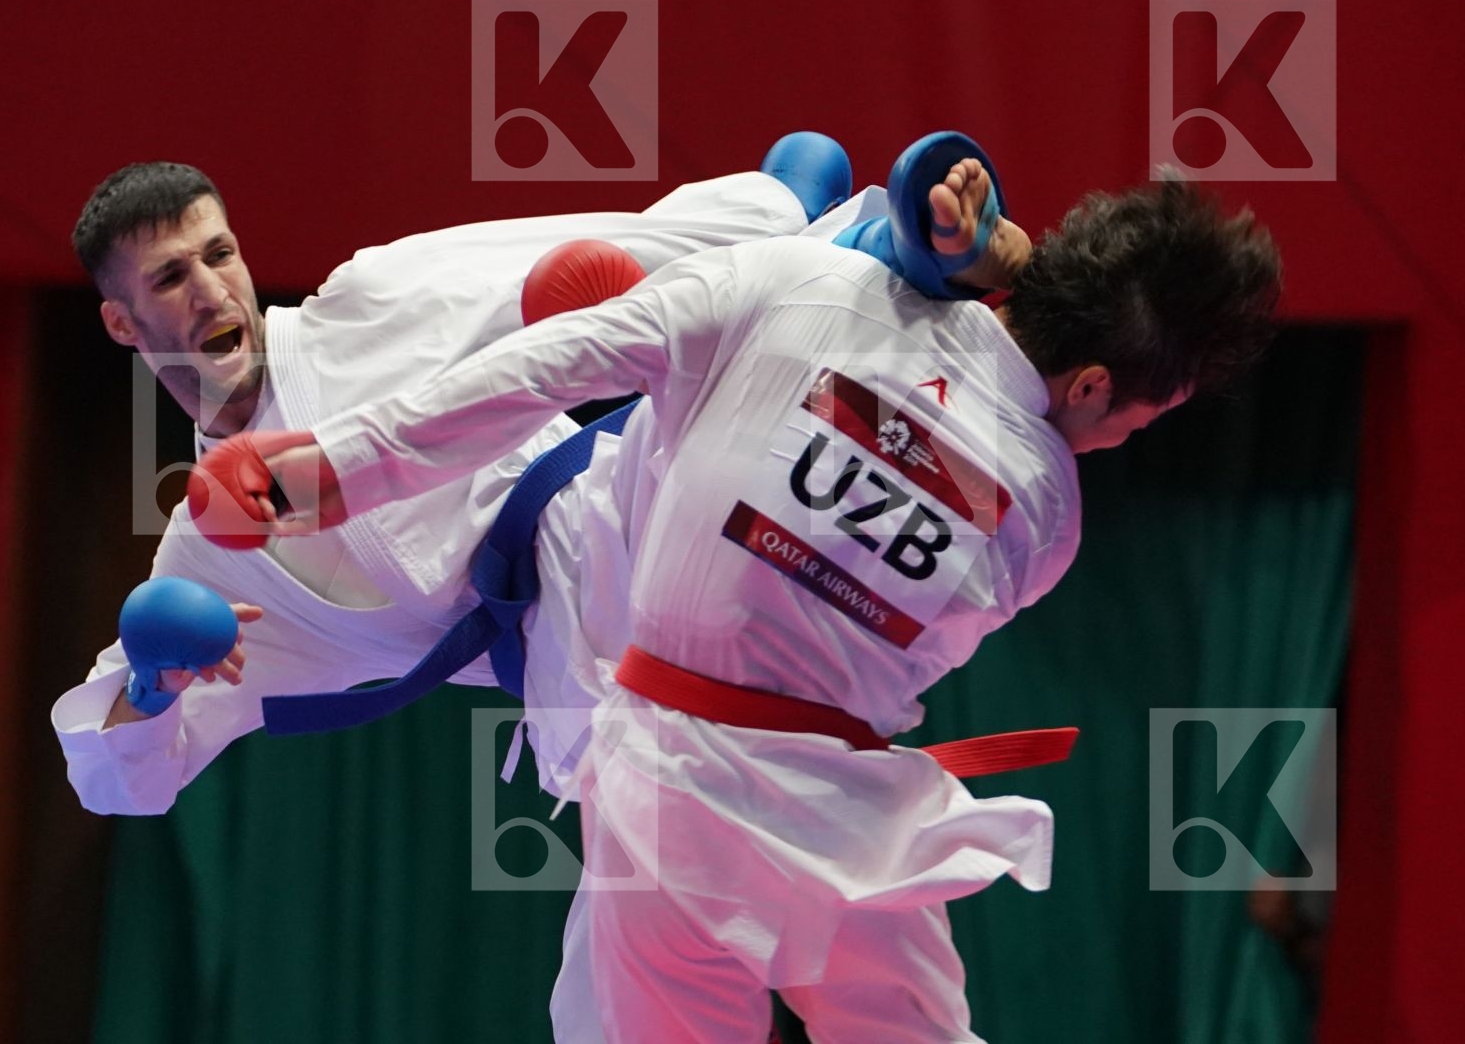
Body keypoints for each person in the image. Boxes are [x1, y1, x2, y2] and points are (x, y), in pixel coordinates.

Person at [216, 175, 1281, 1042]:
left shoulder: (809, 281)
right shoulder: (1045, 517)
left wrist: (337, 465)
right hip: (842, 821)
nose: (1118, 440)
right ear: (1092, 385)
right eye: (1142, 419)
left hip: (664, 776)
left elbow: (561, 359)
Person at [51, 139, 1020, 814]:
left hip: (621, 509)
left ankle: (900, 265)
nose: (215, 289)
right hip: (580, 693)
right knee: (640, 985)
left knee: (733, 354)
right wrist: (153, 680)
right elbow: (122, 780)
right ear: (122, 323)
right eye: (172, 278)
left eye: (219, 254)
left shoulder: (367, 305)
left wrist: (772, 217)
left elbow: (566, 263)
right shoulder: (213, 567)